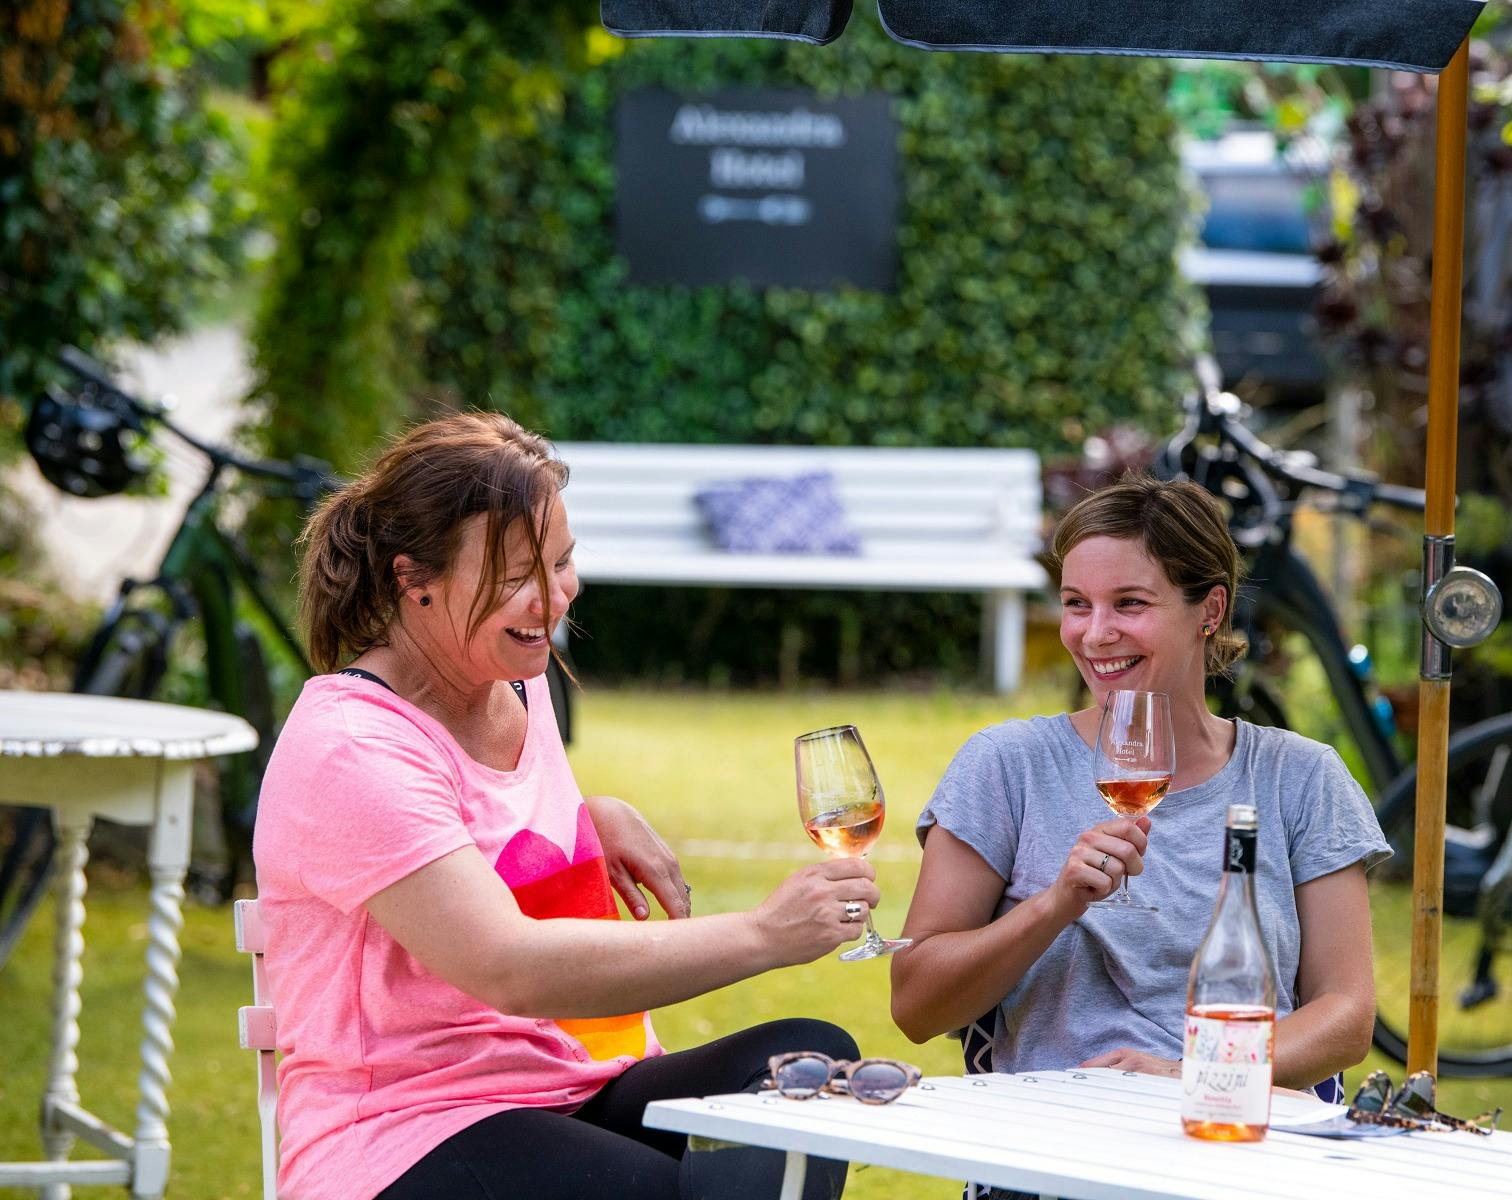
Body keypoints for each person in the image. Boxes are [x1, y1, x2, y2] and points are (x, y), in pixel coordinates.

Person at [255, 412, 879, 1200]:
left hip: (568, 1088)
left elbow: (478, 821)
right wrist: (762, 935)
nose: (554, 599)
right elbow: (507, 966)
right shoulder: (351, 746)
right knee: (682, 1190)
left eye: (563, 562)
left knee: (811, 1064)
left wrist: (594, 810)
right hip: (405, 1131)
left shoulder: (514, 681)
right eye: (518, 575)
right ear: (415, 582)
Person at [890, 473, 1388, 1092]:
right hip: (1056, 1146)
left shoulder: (1301, 778)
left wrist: (1187, 1076)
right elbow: (916, 1007)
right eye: (1077, 603)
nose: (1095, 633)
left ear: (1210, 609)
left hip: (1235, 1141)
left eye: (1129, 603)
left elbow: (1345, 1017)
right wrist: (1055, 905)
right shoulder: (1006, 765)